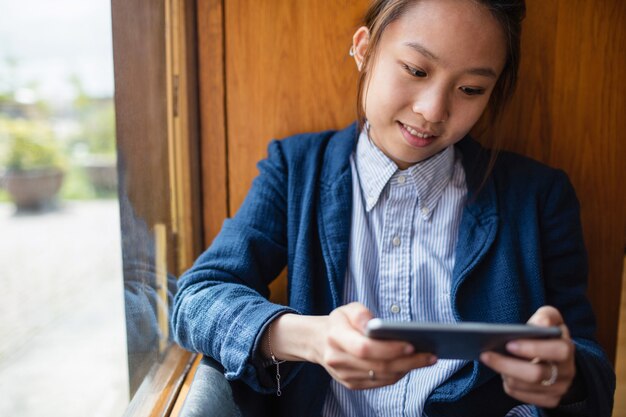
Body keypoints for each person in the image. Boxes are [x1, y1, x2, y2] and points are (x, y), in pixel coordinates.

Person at [171, 0, 615, 416]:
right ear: (364, 49)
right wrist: (312, 338)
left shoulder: (540, 196)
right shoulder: (295, 169)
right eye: (416, 70)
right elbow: (196, 299)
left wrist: (566, 374)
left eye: (471, 89)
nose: (433, 111)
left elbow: (591, 367)